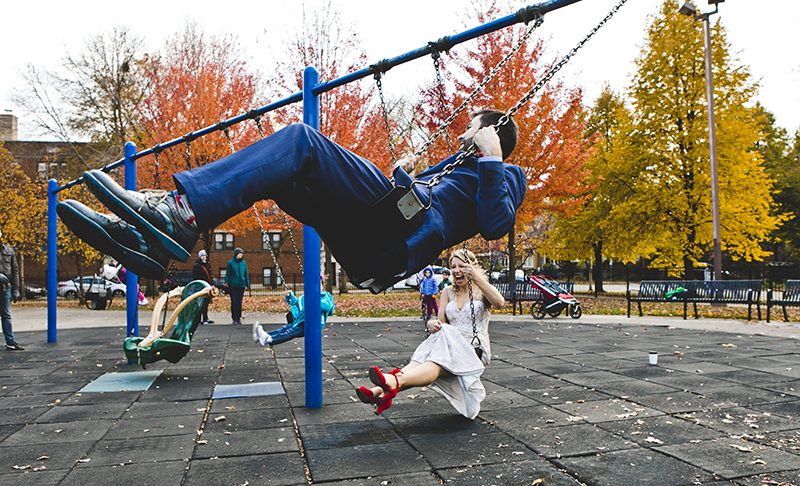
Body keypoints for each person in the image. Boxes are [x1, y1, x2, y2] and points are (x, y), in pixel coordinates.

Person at [56, 109, 526, 293]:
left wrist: (492, 159)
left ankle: (176, 213)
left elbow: (495, 223)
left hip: (392, 235)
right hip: (371, 233)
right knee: (282, 175)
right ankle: (156, 234)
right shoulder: (459, 164)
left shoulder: (505, 172)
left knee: (301, 141)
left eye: (474, 124)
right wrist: (406, 171)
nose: (464, 128)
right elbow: (432, 200)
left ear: (491, 135)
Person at [355, 249, 504, 418]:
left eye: (462, 266)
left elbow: (499, 302)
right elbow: (441, 322)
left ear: (472, 267)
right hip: (449, 341)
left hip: (473, 348)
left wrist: (476, 277)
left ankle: (391, 382)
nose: (456, 270)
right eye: (453, 266)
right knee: (416, 364)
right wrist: (431, 323)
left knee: (436, 364)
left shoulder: (481, 291)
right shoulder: (448, 292)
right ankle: (378, 393)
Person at [252, 275, 335, 347]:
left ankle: (270, 339)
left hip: (313, 324)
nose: (315, 286)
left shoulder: (324, 296)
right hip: (302, 321)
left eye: (318, 283)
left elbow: (327, 306)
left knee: (290, 332)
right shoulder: (304, 297)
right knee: (285, 328)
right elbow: (297, 304)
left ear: (322, 286)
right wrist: (290, 296)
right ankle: (262, 336)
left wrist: (314, 299)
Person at [0, 226, 24, 351]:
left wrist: (16, 290)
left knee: (6, 315)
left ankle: (10, 341)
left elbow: (14, 270)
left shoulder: (9, 251)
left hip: (4, 288)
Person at [225, 247, 249, 325]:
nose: (240, 256)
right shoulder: (231, 263)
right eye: (239, 254)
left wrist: (247, 284)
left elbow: (246, 274)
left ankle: (239, 317)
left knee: (239, 302)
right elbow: (227, 273)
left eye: (241, 254)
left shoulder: (244, 263)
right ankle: (234, 318)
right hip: (233, 285)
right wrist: (226, 282)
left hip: (241, 285)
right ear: (236, 254)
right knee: (234, 302)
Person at [192, 249, 215, 324]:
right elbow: (195, 277)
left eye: (204, 255)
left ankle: (205, 318)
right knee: (200, 304)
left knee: (206, 303)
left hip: (208, 286)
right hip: (201, 287)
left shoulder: (207, 264)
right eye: (202, 256)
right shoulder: (197, 266)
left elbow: (210, 275)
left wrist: (212, 284)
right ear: (200, 257)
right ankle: (198, 319)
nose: (204, 257)